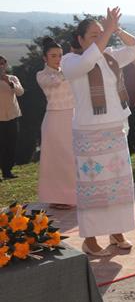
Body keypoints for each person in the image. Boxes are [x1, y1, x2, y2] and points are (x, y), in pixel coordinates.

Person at [62, 8, 135, 256]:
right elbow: (87, 62)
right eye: (94, 35)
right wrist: (106, 31)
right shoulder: (70, 61)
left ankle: (117, 232)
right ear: (80, 40)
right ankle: (90, 239)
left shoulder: (110, 57)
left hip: (114, 129)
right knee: (93, 188)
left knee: (117, 186)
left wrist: (116, 29)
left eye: (102, 33)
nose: (100, 38)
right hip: (88, 133)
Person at [36, 38, 76, 209]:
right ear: (45, 58)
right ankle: (56, 197)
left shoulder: (68, 70)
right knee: (55, 160)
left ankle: (73, 196)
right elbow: (54, 81)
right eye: (53, 56)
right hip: (54, 120)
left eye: (60, 55)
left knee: (71, 158)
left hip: (73, 117)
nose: (58, 58)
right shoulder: (42, 75)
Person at [0, 55, 24, 180]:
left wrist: (9, 83)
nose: (1, 66)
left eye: (3, 63)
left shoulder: (12, 78)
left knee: (11, 145)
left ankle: (7, 171)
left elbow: (20, 92)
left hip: (13, 117)